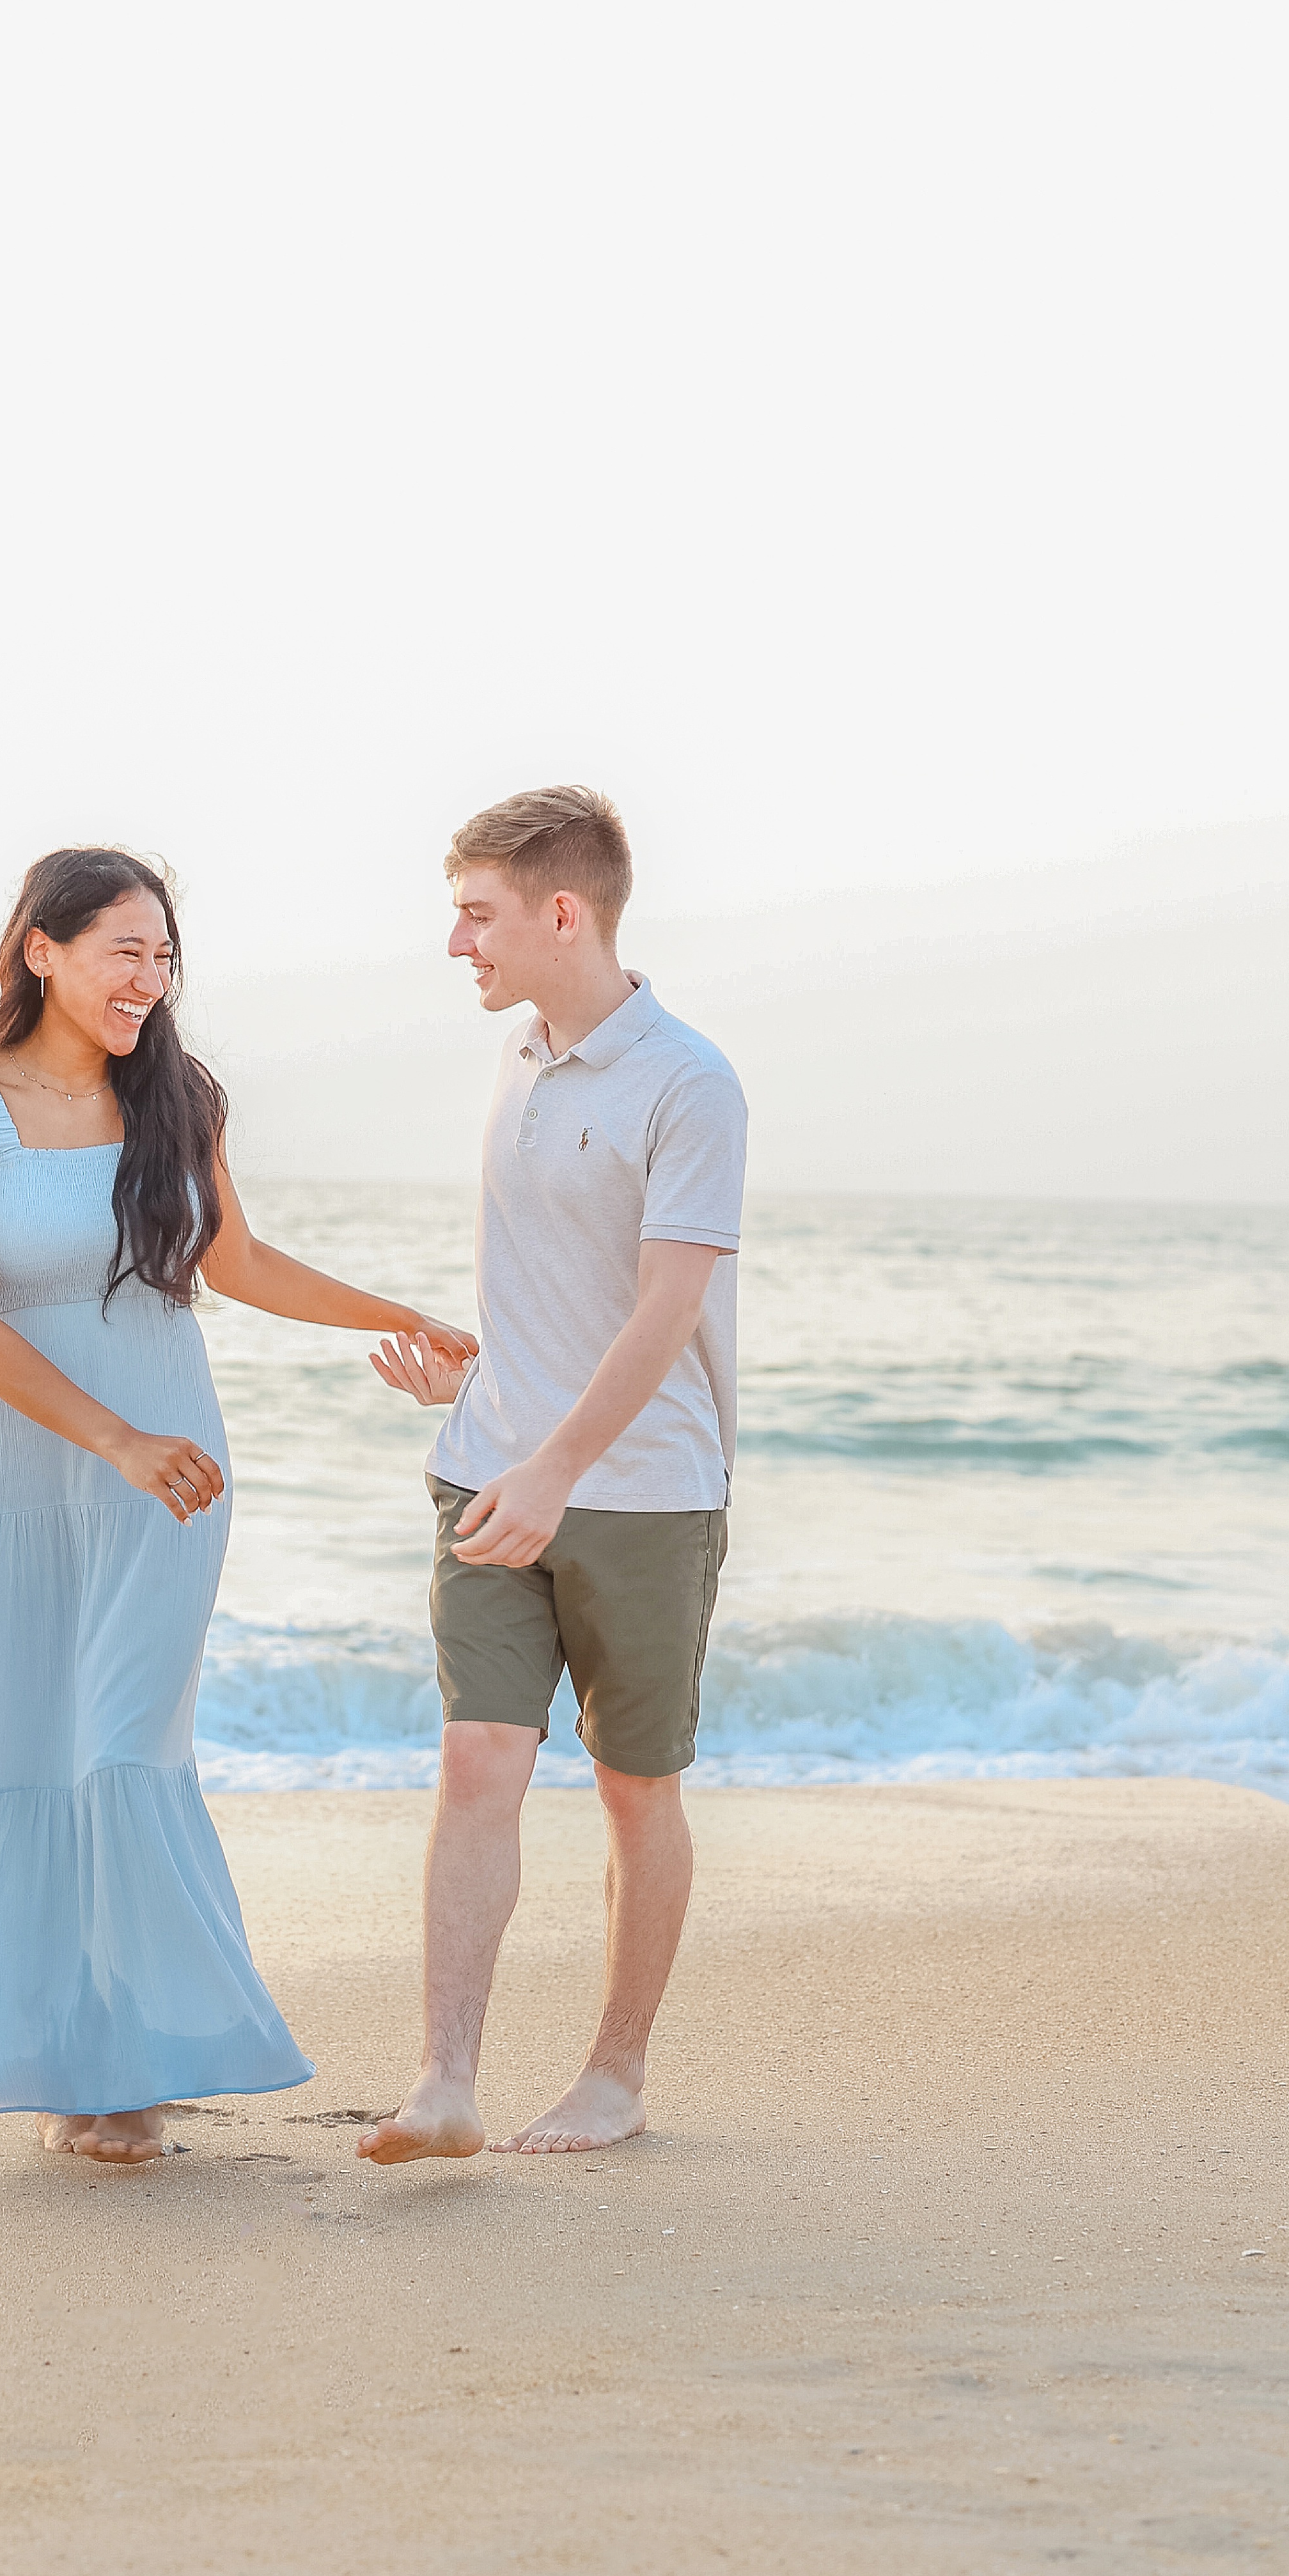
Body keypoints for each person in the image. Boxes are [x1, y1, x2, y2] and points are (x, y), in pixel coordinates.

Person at [0, 846, 476, 2166]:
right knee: (30, 1749)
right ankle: (70, 2068)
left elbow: (239, 1259)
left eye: (163, 959)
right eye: (123, 953)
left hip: (172, 1475)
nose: (149, 982)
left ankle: (141, 2062)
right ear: (41, 949)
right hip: (22, 1474)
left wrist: (407, 1318)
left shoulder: (180, 1097)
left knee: (117, 1746)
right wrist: (113, 1440)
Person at [359, 785, 746, 2162]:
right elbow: (557, 1295)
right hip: (488, 1474)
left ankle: (615, 2077)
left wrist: (558, 1467)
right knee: (477, 1764)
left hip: (641, 1497)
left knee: (635, 1786)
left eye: (477, 914)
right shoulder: (520, 1058)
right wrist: (480, 1390)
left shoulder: (689, 1082)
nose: (456, 944)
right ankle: (445, 2083)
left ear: (562, 913)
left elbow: (661, 1310)